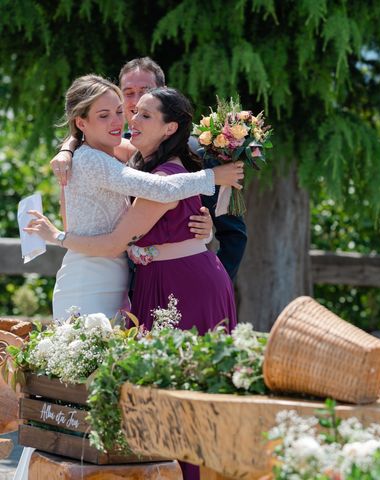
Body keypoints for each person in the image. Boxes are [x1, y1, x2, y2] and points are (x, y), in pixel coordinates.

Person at [28, 87, 237, 336]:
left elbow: (116, 241)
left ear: (170, 129)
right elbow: (88, 134)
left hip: (180, 282)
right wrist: (68, 147)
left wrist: (56, 236)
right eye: (135, 112)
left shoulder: (164, 176)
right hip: (158, 279)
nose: (132, 120)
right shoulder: (142, 159)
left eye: (145, 116)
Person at [51, 57, 248, 280]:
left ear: (162, 92)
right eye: (128, 93)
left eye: (144, 91)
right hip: (127, 280)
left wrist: (215, 277)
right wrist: (66, 148)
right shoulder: (117, 144)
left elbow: (231, 232)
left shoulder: (200, 152)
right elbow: (84, 137)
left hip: (185, 278)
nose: (135, 101)